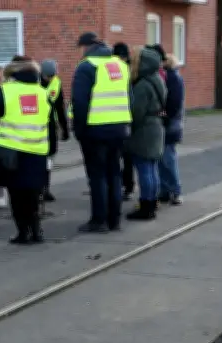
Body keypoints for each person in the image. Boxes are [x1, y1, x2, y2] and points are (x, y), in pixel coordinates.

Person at [0, 56, 57, 244]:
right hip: (37, 151)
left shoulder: (5, 91)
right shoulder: (43, 92)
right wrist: (52, 147)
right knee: (34, 194)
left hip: (11, 152)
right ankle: (37, 231)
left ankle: (23, 232)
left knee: (16, 194)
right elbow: (51, 123)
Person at [71, 32, 132, 233]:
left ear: (87, 47)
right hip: (119, 129)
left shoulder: (86, 67)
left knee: (97, 176)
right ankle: (115, 220)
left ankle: (99, 220)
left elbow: (80, 103)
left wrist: (79, 130)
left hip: (95, 130)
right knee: (114, 173)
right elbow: (129, 98)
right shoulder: (121, 66)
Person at [126, 46, 166, 221]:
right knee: (152, 168)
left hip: (144, 131)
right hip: (156, 127)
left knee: (144, 169)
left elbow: (136, 112)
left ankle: (146, 206)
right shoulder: (157, 79)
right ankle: (153, 201)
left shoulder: (142, 85)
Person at [148, 44, 184, 205]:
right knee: (163, 159)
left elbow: (174, 102)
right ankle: (166, 190)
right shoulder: (170, 76)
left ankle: (175, 191)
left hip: (170, 124)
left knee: (168, 158)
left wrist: (166, 116)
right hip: (169, 123)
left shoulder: (172, 78)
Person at [39, 59, 70, 202]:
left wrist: (65, 128)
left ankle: (46, 188)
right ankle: (38, 189)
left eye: (52, 76)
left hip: (51, 125)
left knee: (49, 158)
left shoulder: (56, 82)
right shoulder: (34, 82)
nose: (50, 79)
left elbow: (60, 106)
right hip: (36, 126)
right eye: (47, 76)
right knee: (38, 159)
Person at [112, 42, 135, 201]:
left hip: (117, 120)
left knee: (118, 157)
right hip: (127, 120)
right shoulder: (131, 70)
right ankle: (127, 186)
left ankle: (121, 186)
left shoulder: (117, 69)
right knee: (127, 158)